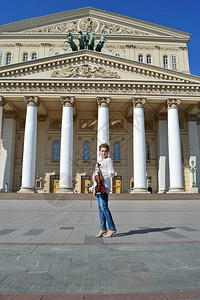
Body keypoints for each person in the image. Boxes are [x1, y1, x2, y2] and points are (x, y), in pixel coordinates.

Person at [90, 143, 117, 238]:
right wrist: (93, 188)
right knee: (100, 209)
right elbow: (95, 177)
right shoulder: (98, 162)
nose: (104, 153)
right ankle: (102, 229)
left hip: (104, 187)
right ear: (100, 152)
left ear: (108, 152)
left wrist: (102, 173)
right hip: (98, 187)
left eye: (105, 151)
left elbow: (112, 173)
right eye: (102, 151)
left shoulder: (109, 160)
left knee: (104, 207)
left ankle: (112, 228)